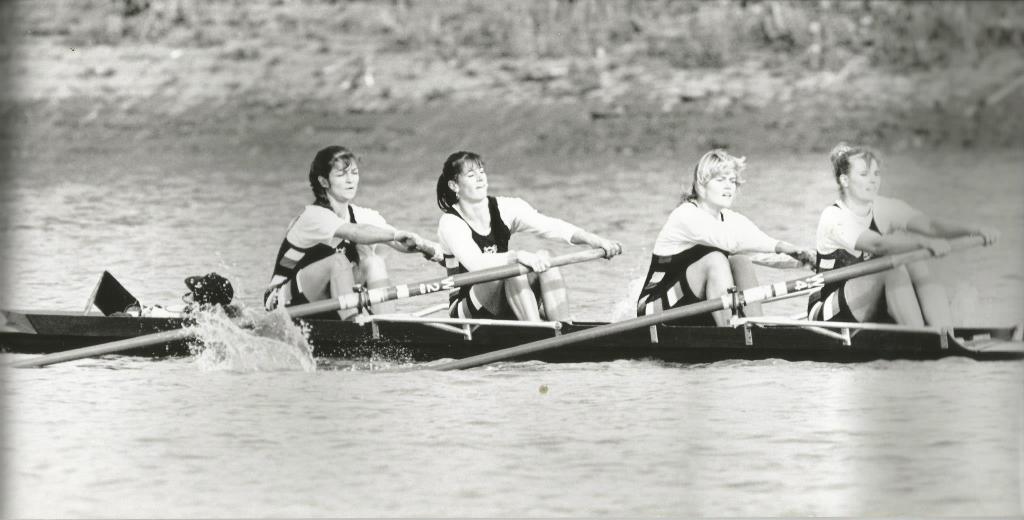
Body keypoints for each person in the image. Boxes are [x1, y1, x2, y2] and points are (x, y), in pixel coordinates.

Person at [808, 142, 999, 326]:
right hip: (826, 313)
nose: (873, 180)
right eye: (864, 174)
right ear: (845, 180)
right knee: (892, 267)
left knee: (915, 261)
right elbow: (878, 245)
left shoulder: (885, 207)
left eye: (876, 173)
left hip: (866, 302)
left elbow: (931, 226)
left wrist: (973, 229)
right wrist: (922, 243)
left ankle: (943, 333)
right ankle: (918, 337)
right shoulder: (833, 217)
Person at [435, 151, 622, 322]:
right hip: (466, 309)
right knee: (511, 268)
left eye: (482, 172)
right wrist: (516, 256)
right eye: (471, 175)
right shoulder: (450, 222)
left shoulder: (506, 207)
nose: (480, 179)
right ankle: (536, 330)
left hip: (503, 292)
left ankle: (564, 325)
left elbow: (551, 226)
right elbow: (476, 263)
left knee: (545, 256)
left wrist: (594, 240)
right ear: (454, 185)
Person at [637, 149, 815, 326]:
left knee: (741, 261)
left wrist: (810, 260)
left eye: (732, 181)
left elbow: (764, 254)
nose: (729, 186)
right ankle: (730, 331)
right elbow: (730, 241)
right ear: (700, 186)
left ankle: (757, 329)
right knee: (716, 260)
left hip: (695, 307)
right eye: (721, 180)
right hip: (654, 310)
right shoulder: (685, 215)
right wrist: (782, 246)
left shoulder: (731, 219)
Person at [264, 146, 441, 320]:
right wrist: (394, 235)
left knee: (374, 262)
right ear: (324, 181)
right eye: (341, 175)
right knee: (338, 262)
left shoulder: (362, 215)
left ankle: (387, 323)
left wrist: (432, 250)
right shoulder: (312, 216)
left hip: (327, 300)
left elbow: (402, 242)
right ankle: (354, 325)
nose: (351, 180)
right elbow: (356, 232)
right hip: (282, 302)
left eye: (354, 173)